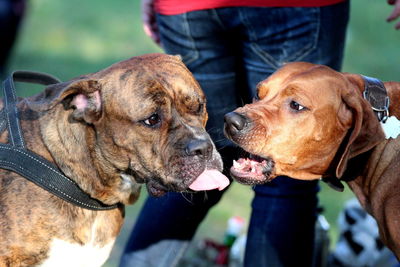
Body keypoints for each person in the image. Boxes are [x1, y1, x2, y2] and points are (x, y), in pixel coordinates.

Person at [120, 1, 400, 266]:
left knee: (189, 163)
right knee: (202, 167)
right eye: (260, 95)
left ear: (356, 124)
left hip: (188, 10)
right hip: (295, 9)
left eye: (296, 105)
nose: (240, 117)